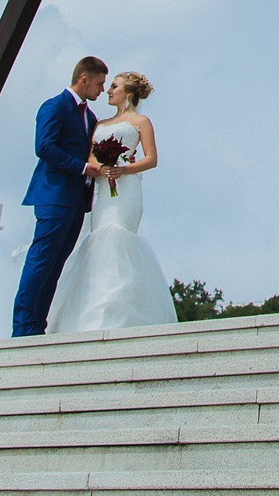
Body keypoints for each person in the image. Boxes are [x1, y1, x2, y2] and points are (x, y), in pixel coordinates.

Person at [46, 70, 178, 332]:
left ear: (127, 93)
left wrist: (123, 168)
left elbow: (151, 159)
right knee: (98, 238)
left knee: (118, 236)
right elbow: (92, 158)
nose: (108, 91)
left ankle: (121, 312)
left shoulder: (142, 122)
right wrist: (101, 166)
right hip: (102, 188)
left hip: (126, 188)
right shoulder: (99, 124)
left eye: (114, 86)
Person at [11, 56, 107, 337]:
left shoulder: (90, 118)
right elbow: (44, 147)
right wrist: (82, 167)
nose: (101, 90)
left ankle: (37, 326)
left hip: (77, 200)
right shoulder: (54, 106)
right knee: (41, 259)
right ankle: (22, 327)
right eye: (99, 84)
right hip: (53, 195)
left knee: (56, 264)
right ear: (84, 79)